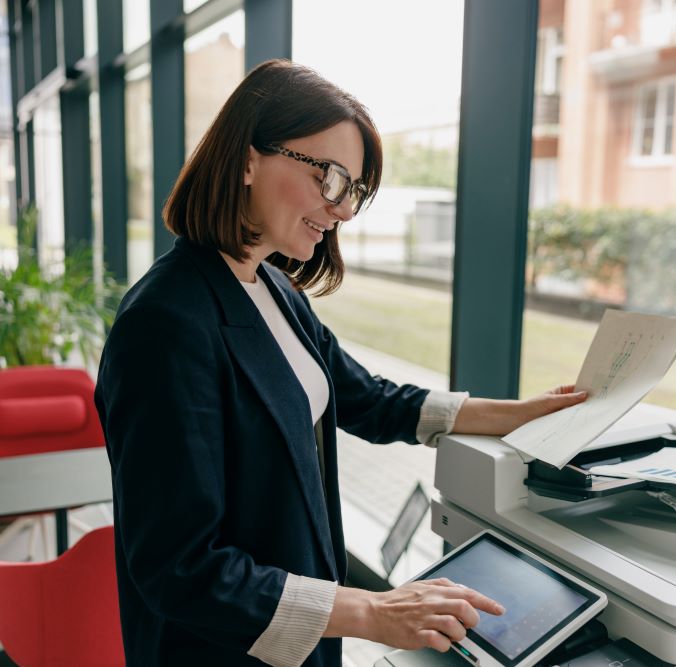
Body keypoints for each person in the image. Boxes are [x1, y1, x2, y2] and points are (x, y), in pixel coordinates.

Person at [93, 59, 587, 667]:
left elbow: (369, 398)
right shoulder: (165, 323)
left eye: (352, 189)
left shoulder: (272, 289)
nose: (343, 209)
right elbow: (179, 567)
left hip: (301, 636)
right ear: (248, 159)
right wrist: (374, 612)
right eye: (330, 178)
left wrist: (522, 414)